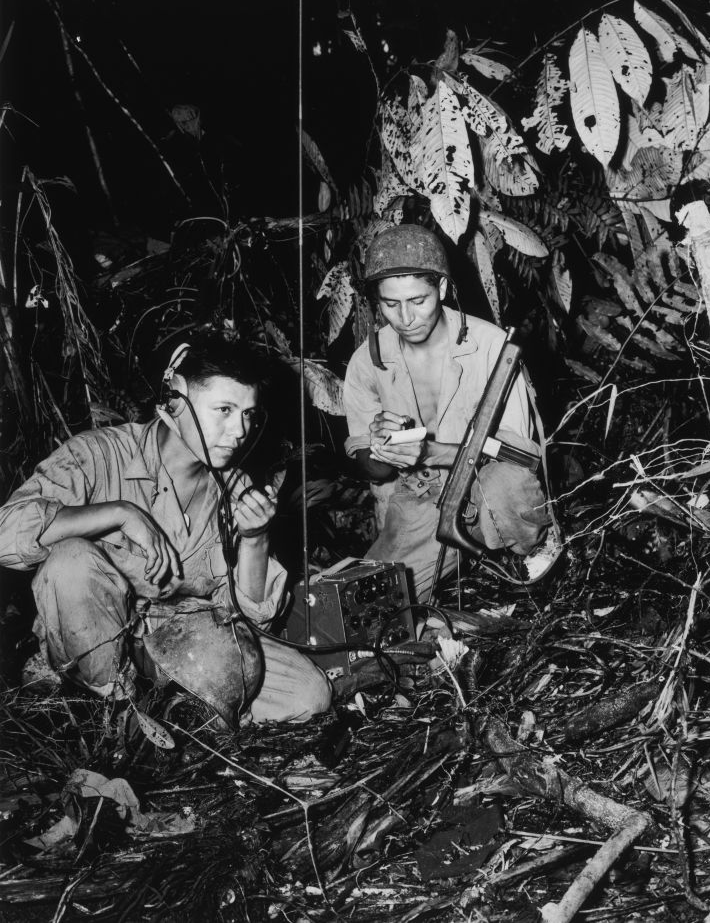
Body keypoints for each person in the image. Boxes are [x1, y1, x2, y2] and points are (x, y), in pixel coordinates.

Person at [0, 333, 331, 727]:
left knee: (308, 694)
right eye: (223, 409)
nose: (239, 430)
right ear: (174, 402)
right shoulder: (99, 455)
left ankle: (174, 710)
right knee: (69, 559)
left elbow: (250, 617)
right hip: (100, 635)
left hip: (188, 639)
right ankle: (113, 712)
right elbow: (8, 532)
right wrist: (120, 513)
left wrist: (256, 538)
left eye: (248, 414)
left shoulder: (237, 490)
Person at [343, 224, 553, 604]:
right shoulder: (367, 362)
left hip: (484, 486)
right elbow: (370, 469)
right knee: (368, 604)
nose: (406, 317)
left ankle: (528, 552)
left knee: (506, 487)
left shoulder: (491, 346)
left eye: (418, 300)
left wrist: (429, 451)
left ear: (440, 288)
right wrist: (380, 450)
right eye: (391, 304)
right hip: (417, 499)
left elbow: (521, 456)